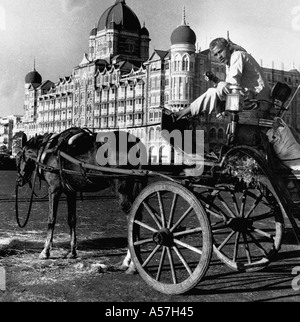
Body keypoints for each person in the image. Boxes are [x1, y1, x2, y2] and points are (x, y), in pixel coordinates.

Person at [175, 37, 271, 121]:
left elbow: (231, 85)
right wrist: (215, 79)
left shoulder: (237, 56)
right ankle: (184, 114)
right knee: (217, 89)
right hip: (252, 99)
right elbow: (228, 87)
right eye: (216, 55)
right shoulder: (230, 62)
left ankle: (179, 115)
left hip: (257, 101)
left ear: (228, 47)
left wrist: (220, 102)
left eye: (220, 52)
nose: (219, 57)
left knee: (212, 92)